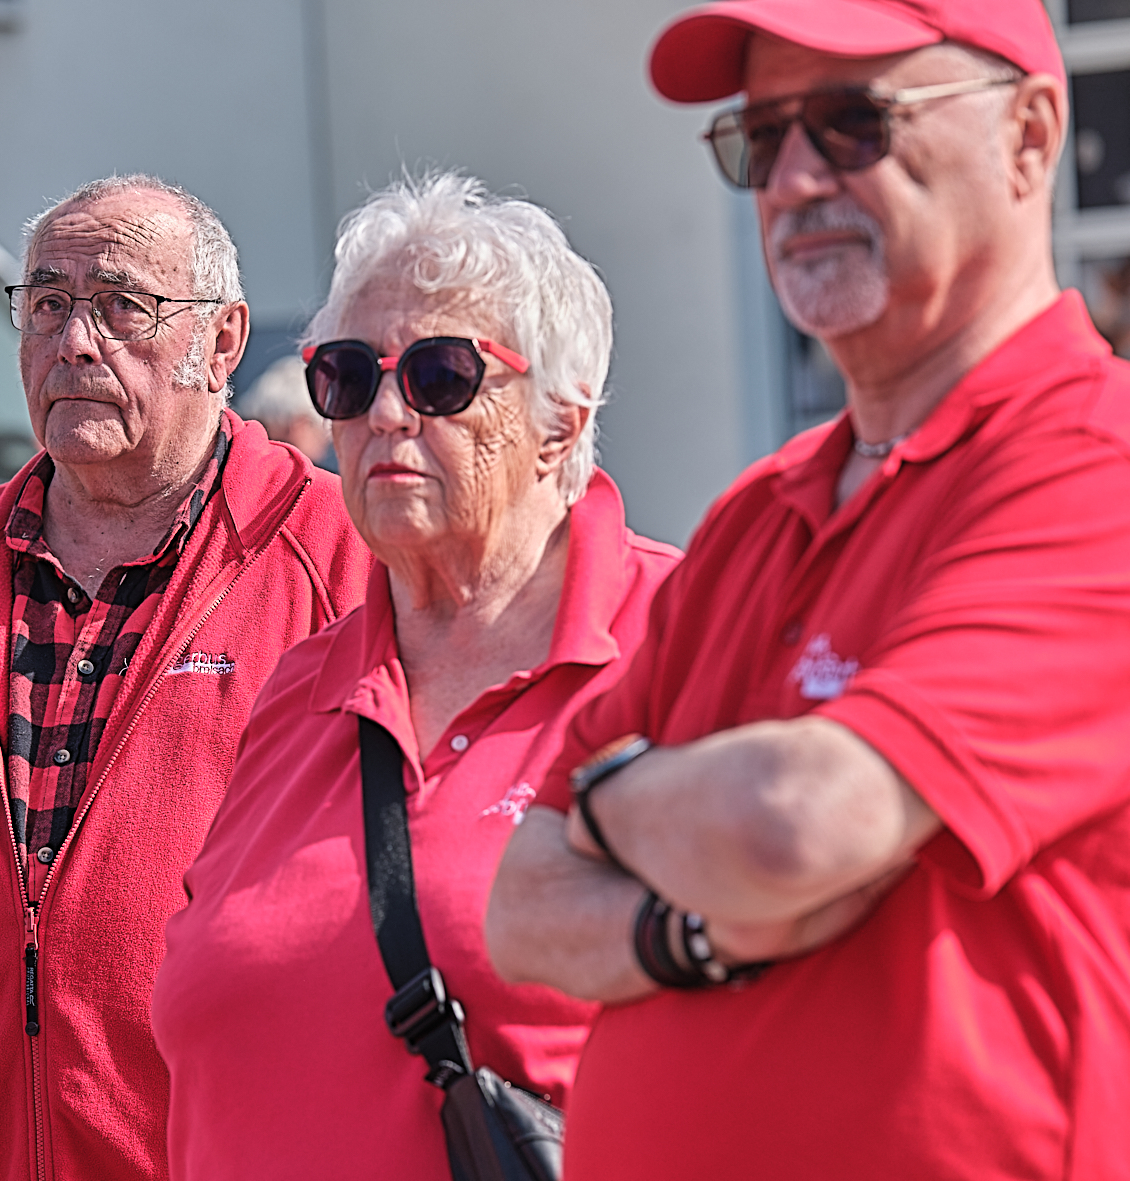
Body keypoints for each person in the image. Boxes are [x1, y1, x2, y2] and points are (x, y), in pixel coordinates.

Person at [484, 2, 1130, 1178]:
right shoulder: (760, 508)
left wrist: (610, 799)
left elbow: (796, 821)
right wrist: (693, 926)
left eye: (848, 122)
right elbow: (521, 905)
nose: (790, 180)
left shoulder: (1092, 461)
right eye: (759, 137)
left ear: (1030, 136)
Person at [0, 175, 373, 1180]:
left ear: (224, 342)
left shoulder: (339, 563)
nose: (74, 341)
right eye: (47, 304)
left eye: (120, 305)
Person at [151, 173, 680, 1179]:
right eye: (348, 377)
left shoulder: (681, 638)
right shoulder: (301, 688)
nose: (387, 412)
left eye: (441, 375)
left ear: (560, 423)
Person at [234, 354, 335, 469]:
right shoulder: (294, 474)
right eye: (321, 437)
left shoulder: (233, 452)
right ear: (299, 426)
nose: (323, 453)